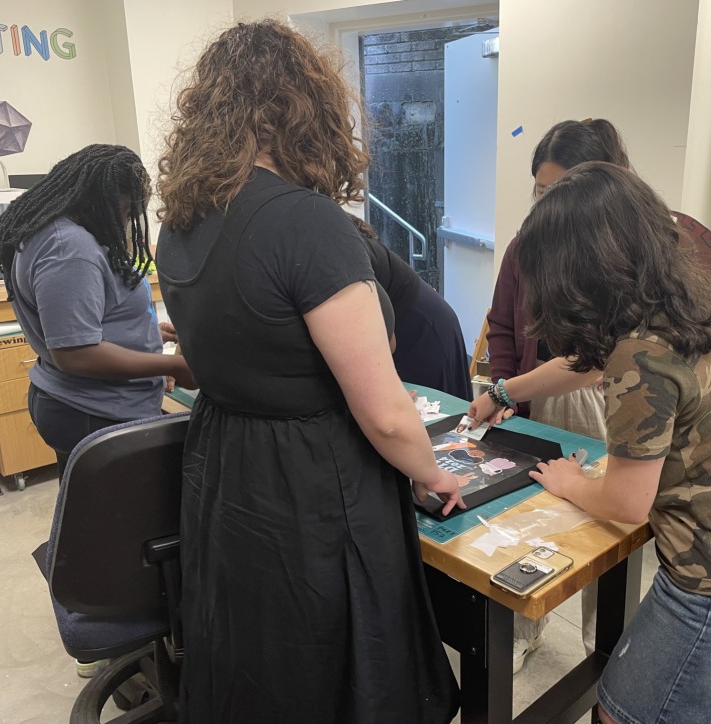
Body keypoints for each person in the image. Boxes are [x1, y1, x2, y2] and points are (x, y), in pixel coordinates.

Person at [155, 20, 461, 723]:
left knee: (256, 643)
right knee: (331, 651)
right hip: (313, 481)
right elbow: (384, 412)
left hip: (226, 464)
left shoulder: (181, 220)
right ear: (304, 107)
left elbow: (208, 357)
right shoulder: (307, 225)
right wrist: (431, 473)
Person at [471, 161, 711, 724]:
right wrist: (506, 390)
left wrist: (573, 482)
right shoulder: (685, 303)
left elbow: (625, 503)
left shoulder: (641, 352)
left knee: (619, 714)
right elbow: (587, 367)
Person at [488, 118, 630, 672]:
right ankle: (526, 625)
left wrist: (507, 387)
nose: (548, 203)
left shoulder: (614, 256)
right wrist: (505, 393)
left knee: (602, 522)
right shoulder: (525, 247)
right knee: (530, 514)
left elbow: (590, 366)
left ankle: (606, 640)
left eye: (559, 191)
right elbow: (503, 325)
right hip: (532, 399)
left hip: (598, 405)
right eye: (540, 191)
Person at [0, 144, 195, 483]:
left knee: (90, 518)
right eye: (128, 210)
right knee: (116, 524)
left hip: (83, 402)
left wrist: (145, 335)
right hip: (93, 410)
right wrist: (173, 364)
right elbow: (76, 353)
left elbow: (81, 322)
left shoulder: (55, 232)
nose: (130, 219)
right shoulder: (68, 248)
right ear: (99, 200)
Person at [361, 232, 471, 399]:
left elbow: (386, 340)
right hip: (403, 322)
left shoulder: (342, 249)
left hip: (422, 326)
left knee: (434, 410)